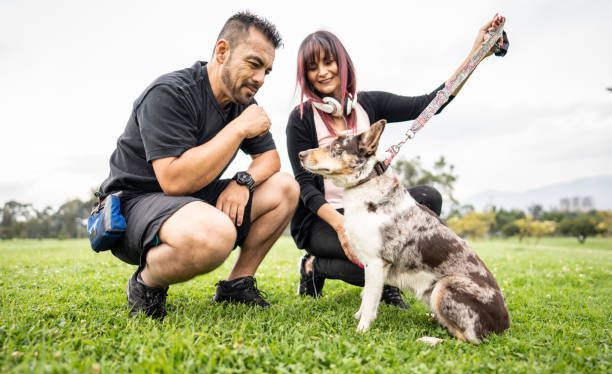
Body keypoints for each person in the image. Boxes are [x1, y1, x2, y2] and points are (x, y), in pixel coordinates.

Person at [287, 15, 506, 305]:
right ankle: (314, 266)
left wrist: (476, 55)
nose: (323, 72)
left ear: (342, 64)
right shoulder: (300, 119)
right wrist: (342, 227)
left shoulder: (369, 104)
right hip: (323, 220)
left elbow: (429, 103)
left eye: (329, 62)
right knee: (364, 254)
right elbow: (305, 187)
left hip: (370, 209)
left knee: (427, 199)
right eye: (313, 67)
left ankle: (390, 280)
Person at [97, 12, 299, 319]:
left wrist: (242, 182)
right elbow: (174, 181)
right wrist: (238, 129)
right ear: (222, 52)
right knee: (216, 234)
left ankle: (236, 285)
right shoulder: (170, 93)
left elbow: (270, 159)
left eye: (267, 71)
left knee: (285, 188)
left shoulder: (242, 103)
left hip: (190, 202)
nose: (260, 79)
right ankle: (145, 283)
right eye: (254, 64)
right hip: (133, 205)